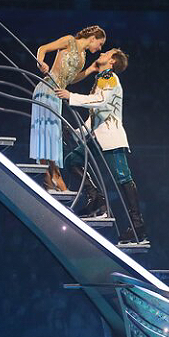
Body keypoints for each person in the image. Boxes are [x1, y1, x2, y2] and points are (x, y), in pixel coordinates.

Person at [56, 49, 148, 244]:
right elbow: (95, 116)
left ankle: (137, 226)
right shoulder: (101, 79)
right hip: (98, 138)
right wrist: (76, 132)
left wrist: (71, 96)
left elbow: (101, 101)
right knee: (73, 160)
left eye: (108, 53)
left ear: (112, 61)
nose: (103, 53)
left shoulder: (109, 77)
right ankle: (96, 197)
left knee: (123, 178)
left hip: (111, 138)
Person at [30, 26, 106, 190]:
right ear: (93, 38)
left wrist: (90, 70)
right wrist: (41, 63)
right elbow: (43, 49)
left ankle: (53, 175)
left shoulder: (83, 56)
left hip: (58, 94)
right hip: (47, 88)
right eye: (100, 44)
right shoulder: (69, 41)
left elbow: (71, 79)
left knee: (53, 133)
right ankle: (51, 175)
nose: (99, 48)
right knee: (47, 132)